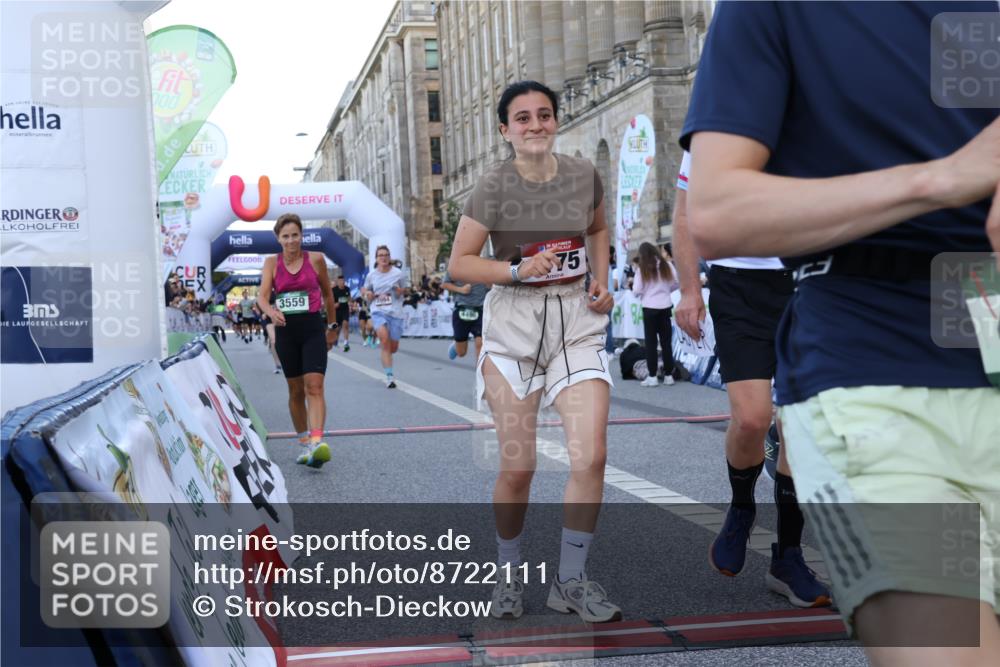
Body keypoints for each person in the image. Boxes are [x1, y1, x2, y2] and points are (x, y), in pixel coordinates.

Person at [681, 1, 1000, 661]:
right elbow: (714, 210)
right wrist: (941, 180)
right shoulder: (774, 10)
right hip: (875, 357)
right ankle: (763, 522)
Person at [448, 80, 619, 623]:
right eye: (522, 118)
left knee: (590, 454)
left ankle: (569, 581)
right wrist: (516, 269)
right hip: (514, 330)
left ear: (555, 122)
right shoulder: (492, 187)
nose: (536, 125)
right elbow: (459, 265)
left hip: (575, 323)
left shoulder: (581, 175)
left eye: (544, 115)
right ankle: (509, 571)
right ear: (506, 131)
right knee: (517, 467)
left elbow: (597, 227)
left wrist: (601, 276)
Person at [673, 148, 830, 609]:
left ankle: (787, 557)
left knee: (800, 426)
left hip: (808, 283)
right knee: (751, 419)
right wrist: (687, 288)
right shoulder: (719, 122)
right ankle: (742, 506)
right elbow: (684, 214)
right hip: (738, 286)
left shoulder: (819, 108)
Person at [257, 213, 339, 469]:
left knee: (314, 385)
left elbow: (327, 295)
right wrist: (272, 312)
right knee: (295, 390)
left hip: (312, 328)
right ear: (278, 239)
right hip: (286, 331)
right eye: (286, 236)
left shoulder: (315, 259)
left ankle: (317, 441)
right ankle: (304, 442)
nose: (291, 240)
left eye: (295, 235)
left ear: (301, 235)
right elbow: (262, 297)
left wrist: (332, 327)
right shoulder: (272, 263)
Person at [631, 242, 679, 387]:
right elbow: (676, 283)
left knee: (651, 344)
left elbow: (636, 290)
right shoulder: (667, 265)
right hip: (665, 306)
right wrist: (665, 292)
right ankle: (668, 375)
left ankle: (652, 376)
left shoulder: (642, 269)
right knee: (666, 342)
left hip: (649, 308)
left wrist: (645, 293)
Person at [362, 245, 408, 387]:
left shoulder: (398, 273)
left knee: (393, 347)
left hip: (396, 313)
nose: (383, 257)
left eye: (386, 255)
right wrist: (367, 294)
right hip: (378, 311)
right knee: (383, 339)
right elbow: (364, 289)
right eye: (380, 255)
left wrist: (401, 291)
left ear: (389, 257)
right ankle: (390, 377)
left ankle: (388, 355)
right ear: (376, 258)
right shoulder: (372, 275)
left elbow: (404, 289)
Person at [440, 270, 489, 361]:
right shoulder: (456, 264)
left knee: (480, 344)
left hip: (480, 309)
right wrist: (461, 289)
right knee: (461, 352)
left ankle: (480, 374)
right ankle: (456, 346)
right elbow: (444, 284)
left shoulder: (484, 263)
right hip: (461, 308)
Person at [331, 274, 352, 352]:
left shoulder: (347, 289)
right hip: (337, 311)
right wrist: (334, 305)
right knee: (337, 328)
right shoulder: (334, 290)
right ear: (338, 282)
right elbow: (331, 301)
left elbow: (350, 299)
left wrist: (350, 303)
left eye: (343, 281)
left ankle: (346, 342)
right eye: (340, 281)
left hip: (345, 310)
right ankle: (335, 340)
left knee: (345, 324)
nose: (342, 282)